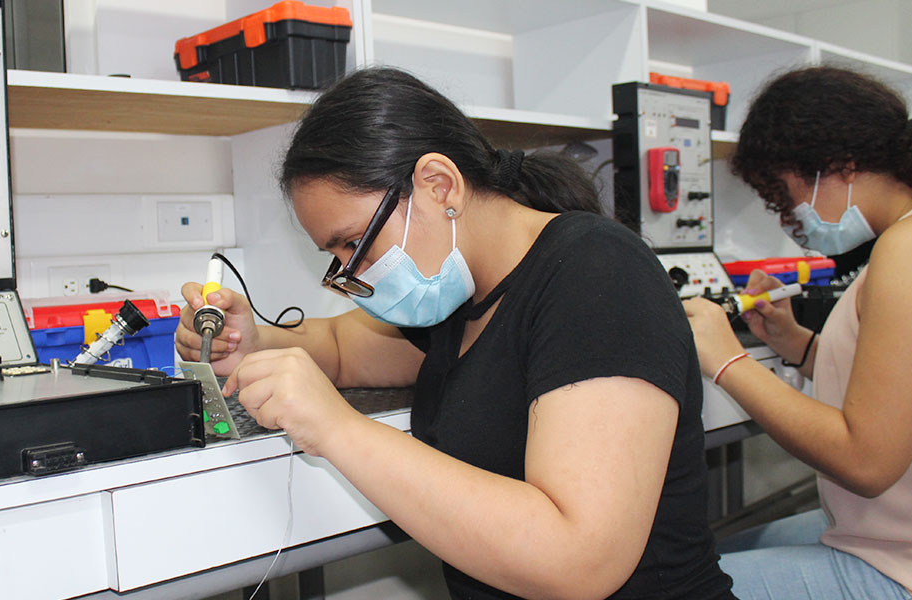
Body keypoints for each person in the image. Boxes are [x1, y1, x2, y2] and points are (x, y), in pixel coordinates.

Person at [177, 68, 734, 600]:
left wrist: (336, 429)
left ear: (439, 185)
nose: (355, 276)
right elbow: (346, 350)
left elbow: (579, 559)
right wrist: (257, 340)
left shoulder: (599, 275)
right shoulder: (456, 294)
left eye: (356, 245)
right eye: (337, 257)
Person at [684, 66, 912, 600]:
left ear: (837, 165)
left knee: (673, 584)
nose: (789, 215)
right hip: (891, 535)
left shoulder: (909, 250)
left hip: (905, 566)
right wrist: (794, 343)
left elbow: (866, 462)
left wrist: (729, 363)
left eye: (783, 193)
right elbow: (898, 388)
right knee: (725, 551)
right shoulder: (909, 237)